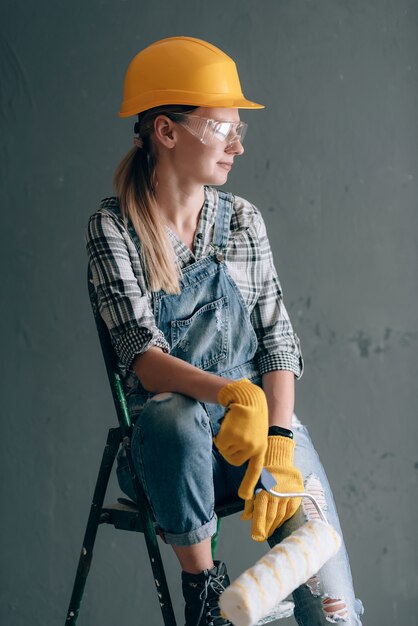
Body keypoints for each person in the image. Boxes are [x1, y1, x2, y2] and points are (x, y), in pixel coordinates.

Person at [86, 36, 363, 626]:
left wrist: (280, 435)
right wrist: (230, 392)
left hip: (255, 439)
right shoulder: (114, 230)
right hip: (168, 454)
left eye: (239, 129)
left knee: (334, 611)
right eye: (221, 128)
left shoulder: (241, 220)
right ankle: (203, 588)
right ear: (166, 131)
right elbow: (141, 355)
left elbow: (277, 340)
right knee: (174, 414)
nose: (237, 143)